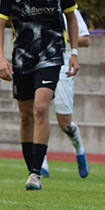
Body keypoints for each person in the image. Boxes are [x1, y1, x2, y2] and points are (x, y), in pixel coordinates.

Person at [0, 0, 79, 190]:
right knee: (25, 115)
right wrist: (0, 57)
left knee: (42, 108)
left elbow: (71, 18)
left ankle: (35, 174)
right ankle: (31, 167)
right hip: (22, 58)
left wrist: (73, 52)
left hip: (51, 55)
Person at [41, 9, 91, 178]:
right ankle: (41, 164)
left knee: (65, 124)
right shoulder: (34, 4)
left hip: (63, 67)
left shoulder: (68, 9)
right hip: (39, 64)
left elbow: (86, 40)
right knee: (39, 112)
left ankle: (79, 149)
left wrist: (62, 37)